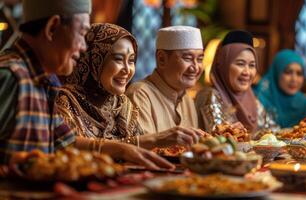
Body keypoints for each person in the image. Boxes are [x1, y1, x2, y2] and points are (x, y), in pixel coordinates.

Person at [0, 0, 173, 170]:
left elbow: (66, 144)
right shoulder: (10, 76)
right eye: (82, 34)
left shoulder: (44, 81)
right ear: (52, 28)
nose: (84, 47)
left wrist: (124, 149)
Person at [57, 23, 200, 150]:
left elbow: (144, 153)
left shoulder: (123, 105)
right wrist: (151, 140)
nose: (127, 70)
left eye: (131, 61)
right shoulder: (65, 101)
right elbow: (68, 151)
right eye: (118, 59)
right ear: (94, 60)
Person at [126, 26, 204, 146]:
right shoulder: (140, 93)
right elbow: (140, 151)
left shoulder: (187, 99)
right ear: (162, 59)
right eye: (188, 58)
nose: (196, 67)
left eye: (199, 59)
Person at [195, 30, 276, 134]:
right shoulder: (209, 96)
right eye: (240, 64)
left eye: (252, 65)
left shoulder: (253, 100)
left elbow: (274, 134)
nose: (247, 72)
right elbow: (221, 140)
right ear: (224, 65)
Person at [254, 49, 306, 128]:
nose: (294, 79)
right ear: (276, 73)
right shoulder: (259, 100)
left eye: (299, 73)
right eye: (288, 72)